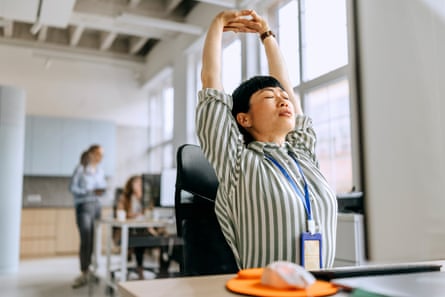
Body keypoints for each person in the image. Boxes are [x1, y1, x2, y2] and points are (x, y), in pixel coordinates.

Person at [196, 10, 338, 270]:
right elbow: (211, 86)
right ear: (244, 119)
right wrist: (217, 24)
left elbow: (287, 88)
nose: (283, 99)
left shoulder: (303, 155)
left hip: (319, 290)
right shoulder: (237, 162)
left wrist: (267, 34)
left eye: (283, 96)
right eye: (269, 97)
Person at [69, 144, 107, 288]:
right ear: (91, 153)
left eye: (102, 154)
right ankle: (84, 272)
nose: (101, 157)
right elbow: (72, 188)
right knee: (86, 238)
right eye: (98, 153)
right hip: (84, 206)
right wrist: (89, 190)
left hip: (97, 207)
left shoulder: (100, 171)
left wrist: (101, 191)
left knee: (94, 241)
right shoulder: (80, 169)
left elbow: (102, 187)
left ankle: (92, 270)